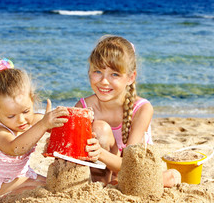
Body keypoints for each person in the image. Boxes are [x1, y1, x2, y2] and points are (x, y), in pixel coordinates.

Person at [75, 35, 180, 187]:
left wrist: (100, 153)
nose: (104, 81)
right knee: (99, 129)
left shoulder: (142, 109)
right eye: (97, 71)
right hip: (102, 176)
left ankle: (119, 183)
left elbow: (130, 166)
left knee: (171, 176)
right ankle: (105, 185)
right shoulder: (83, 107)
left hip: (133, 170)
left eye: (114, 74)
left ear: (131, 77)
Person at [0, 58, 69, 198]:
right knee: (38, 190)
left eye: (26, 111)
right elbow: (15, 148)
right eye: (11, 116)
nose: (21, 120)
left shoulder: (35, 120)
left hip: (20, 175)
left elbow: (61, 128)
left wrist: (58, 123)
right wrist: (43, 125)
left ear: (32, 101)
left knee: (53, 184)